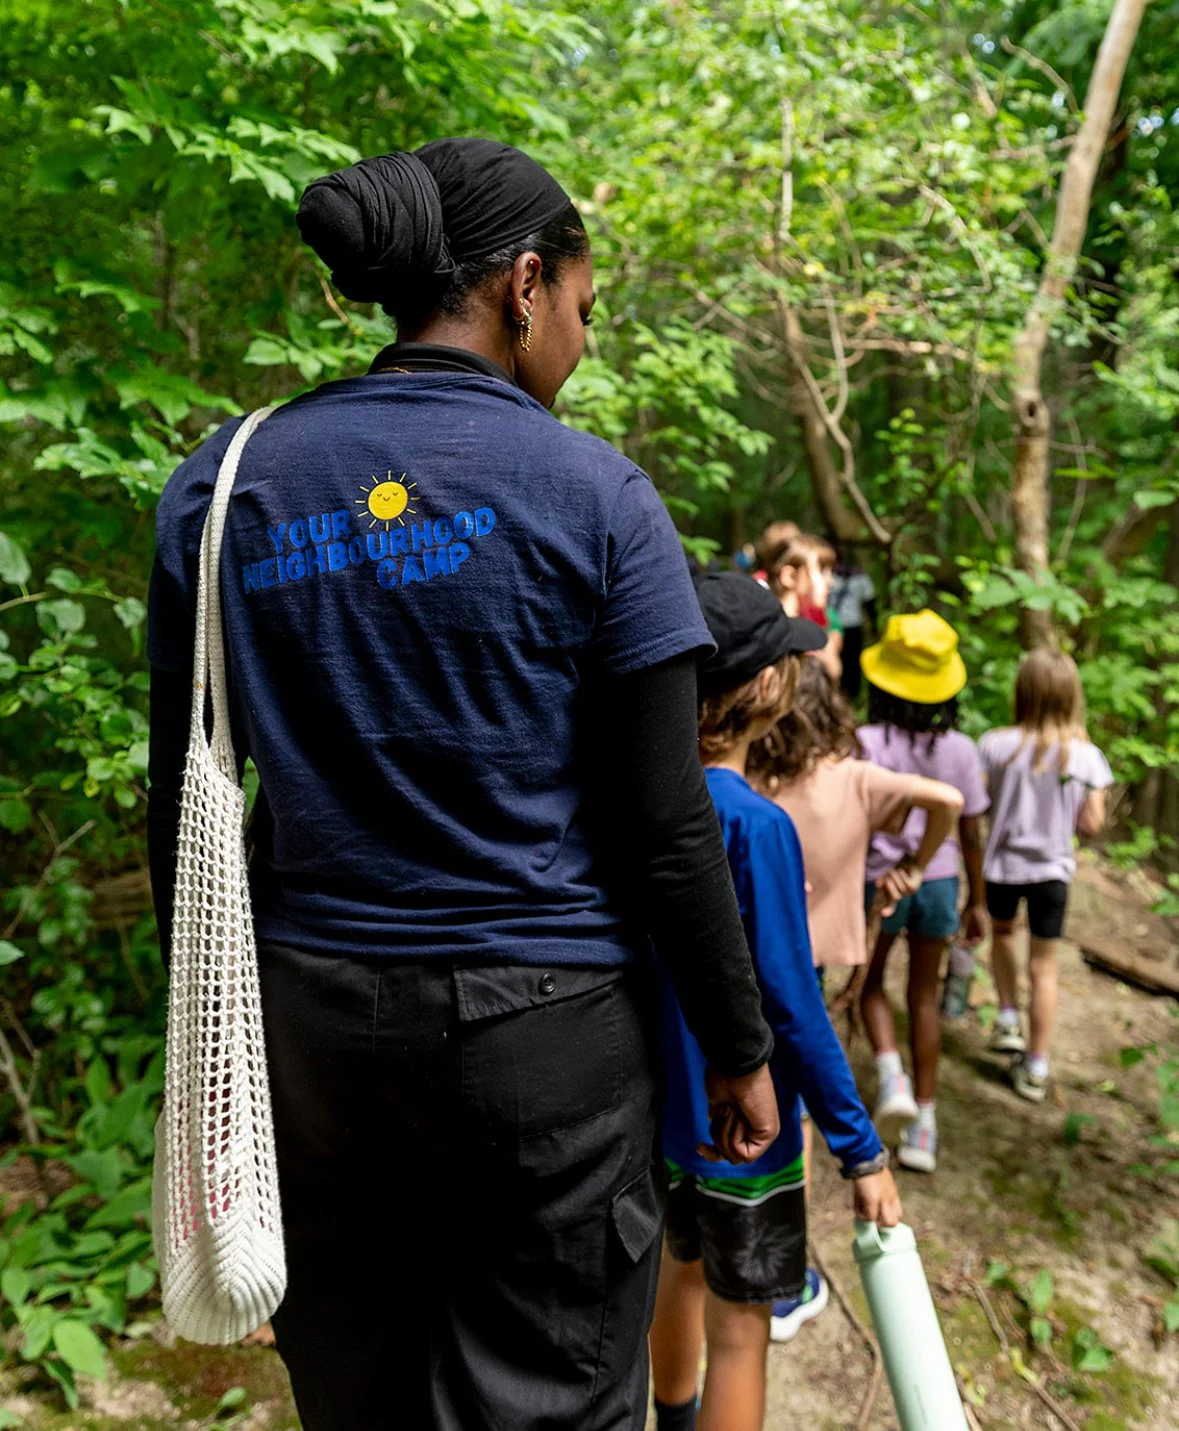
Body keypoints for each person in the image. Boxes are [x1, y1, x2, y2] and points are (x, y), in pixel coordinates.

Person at [147, 139, 780, 1431]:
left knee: (357, 1391)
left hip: (308, 1033)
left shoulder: (225, 483)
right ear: (524, 284)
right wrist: (736, 1044)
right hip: (543, 1046)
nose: (585, 347)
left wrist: (217, 1071)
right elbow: (664, 824)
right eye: (586, 314)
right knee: (547, 1399)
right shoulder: (599, 496)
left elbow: (179, 800)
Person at [648, 573, 902, 1431]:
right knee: (741, 1326)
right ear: (763, 687)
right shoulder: (755, 827)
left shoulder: (641, 804)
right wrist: (859, 1150)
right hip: (741, 1131)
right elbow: (789, 1009)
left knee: (676, 1273)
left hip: (658, 1118)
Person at [747, 658, 960, 1339]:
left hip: (741, 962)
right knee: (795, 1119)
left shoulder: (744, 780)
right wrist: (916, 864)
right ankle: (784, 1278)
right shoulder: (855, 779)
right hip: (807, 973)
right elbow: (948, 801)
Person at [857, 611, 989, 1173]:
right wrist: (977, 900)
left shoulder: (865, 742)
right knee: (924, 996)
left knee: (868, 985)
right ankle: (925, 1128)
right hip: (937, 882)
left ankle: (892, 1078)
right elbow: (970, 832)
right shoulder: (962, 748)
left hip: (881, 884)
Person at [980, 650, 1112, 1103]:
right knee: (1045, 967)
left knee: (1001, 935)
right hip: (1052, 872)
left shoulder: (996, 745)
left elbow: (980, 802)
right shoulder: (1087, 756)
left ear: (1023, 691)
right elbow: (1092, 825)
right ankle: (1036, 1064)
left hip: (1002, 867)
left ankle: (1007, 1016)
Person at [829, 555, 876, 701]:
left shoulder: (829, 576)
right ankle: (850, 699)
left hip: (833, 627)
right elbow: (870, 604)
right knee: (852, 666)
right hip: (852, 627)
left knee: (839, 663)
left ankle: (837, 698)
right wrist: (874, 625)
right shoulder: (860, 578)